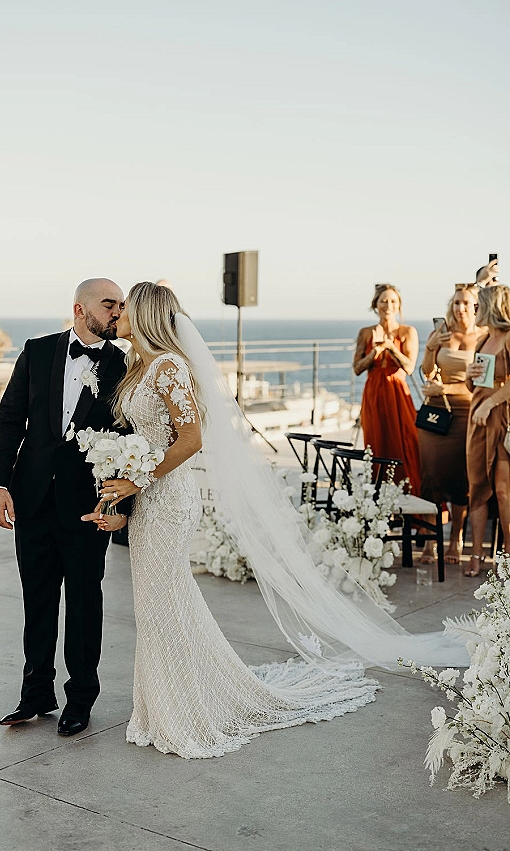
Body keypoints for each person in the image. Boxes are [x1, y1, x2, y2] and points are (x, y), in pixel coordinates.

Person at [82, 282, 467, 760]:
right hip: (149, 503)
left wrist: (137, 482)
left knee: (164, 603)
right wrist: (125, 498)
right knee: (157, 604)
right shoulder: (141, 367)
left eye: (125, 308)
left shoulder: (169, 368)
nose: (117, 314)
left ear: (144, 314)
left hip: (170, 500)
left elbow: (190, 440)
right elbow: (145, 441)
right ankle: (162, 706)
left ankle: (184, 710)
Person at [0, 279, 129, 735]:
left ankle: (81, 699)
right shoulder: (38, 350)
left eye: (120, 306)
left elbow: (133, 443)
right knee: (39, 599)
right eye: (108, 304)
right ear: (79, 308)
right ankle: (35, 694)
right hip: (31, 500)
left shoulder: (125, 365)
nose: (116, 312)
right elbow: (10, 418)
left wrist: (120, 505)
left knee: (86, 603)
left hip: (89, 507)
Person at [417, 285, 482, 564]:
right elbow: (427, 371)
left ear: (477, 306)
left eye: (466, 303)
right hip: (434, 413)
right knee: (430, 477)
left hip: (466, 412)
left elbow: (480, 385)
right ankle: (432, 540)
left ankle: (456, 539)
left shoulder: (485, 337)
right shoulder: (441, 333)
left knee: (459, 479)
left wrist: (445, 390)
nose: (460, 308)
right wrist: (431, 348)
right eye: (456, 303)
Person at [353, 284, 421, 494]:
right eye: (383, 300)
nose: (388, 305)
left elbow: (409, 367)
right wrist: (374, 352)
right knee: (375, 445)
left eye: (393, 301)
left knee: (406, 443)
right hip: (373, 393)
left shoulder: (407, 331)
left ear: (399, 305)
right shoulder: (365, 333)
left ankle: (411, 499)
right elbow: (357, 368)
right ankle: (379, 504)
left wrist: (391, 348)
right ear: (376, 304)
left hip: (397, 391)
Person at [464, 285, 510, 576]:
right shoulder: (482, 340)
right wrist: (469, 377)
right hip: (476, 418)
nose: (473, 311)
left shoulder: (509, 337)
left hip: (501, 417)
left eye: (477, 306)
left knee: (504, 491)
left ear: (490, 307)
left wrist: (490, 404)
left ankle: (507, 556)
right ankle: (477, 554)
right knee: (477, 488)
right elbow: (475, 386)